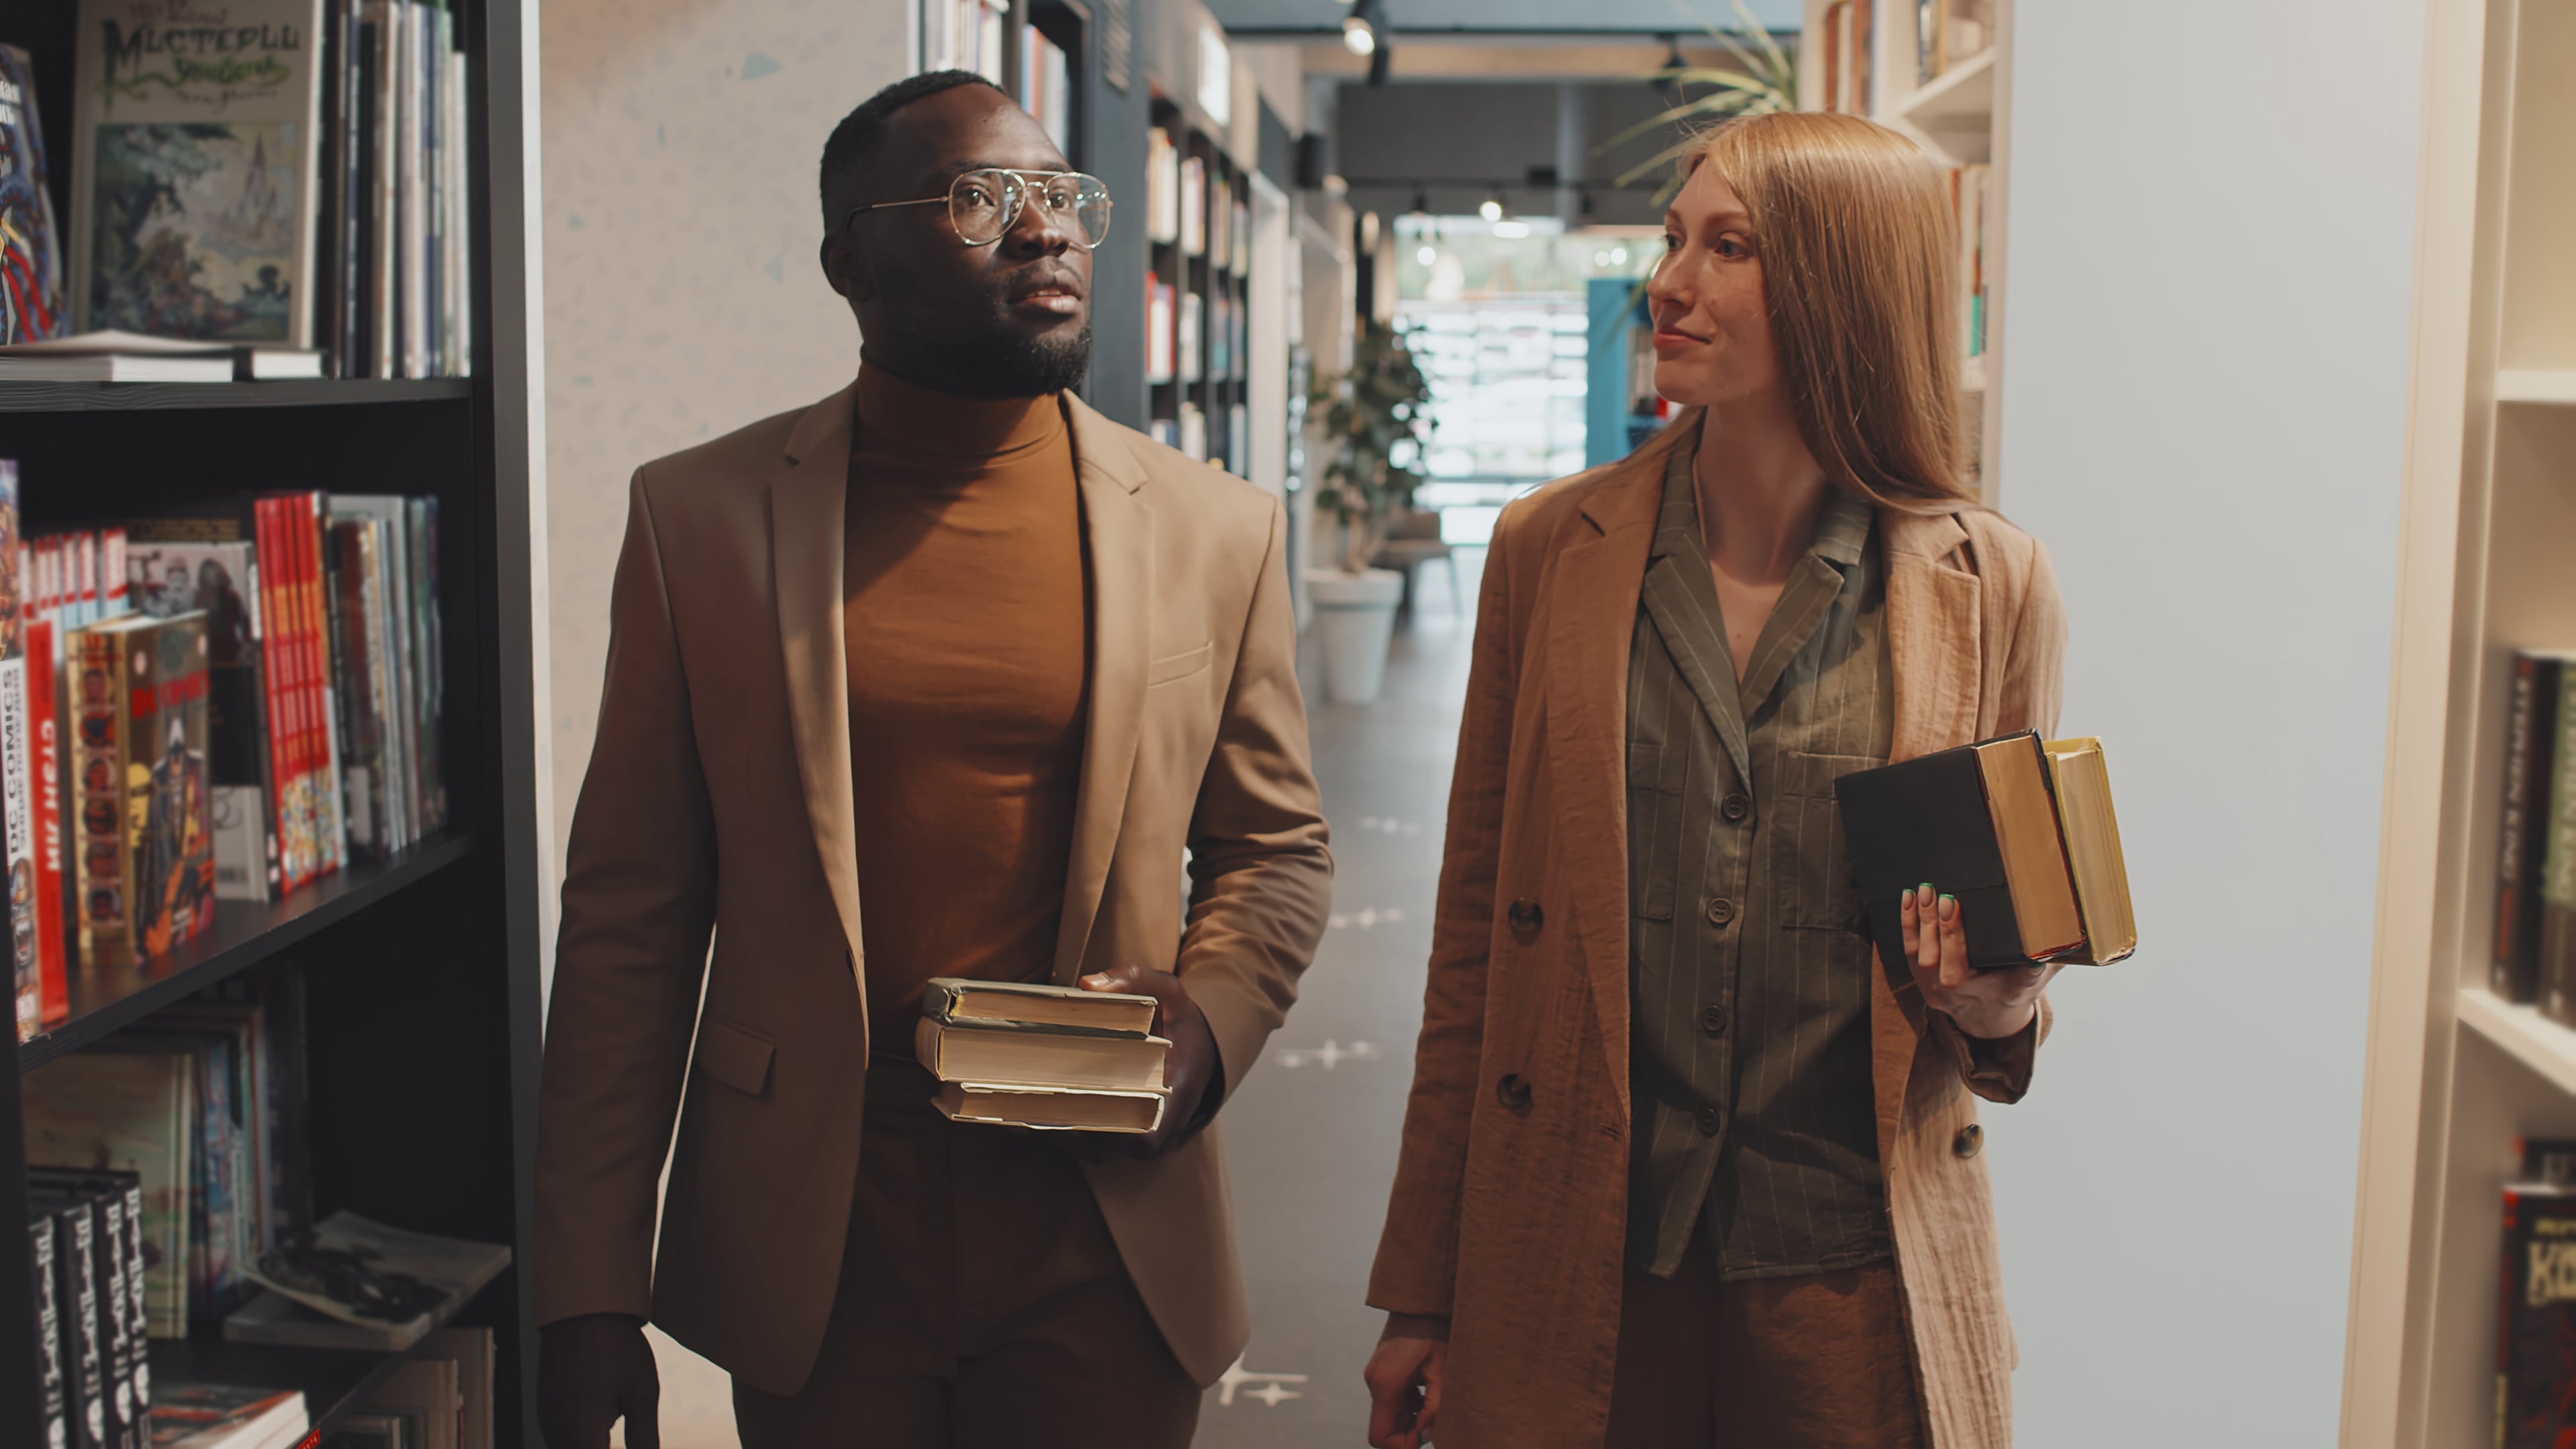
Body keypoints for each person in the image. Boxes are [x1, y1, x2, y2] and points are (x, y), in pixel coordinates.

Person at [532, 70, 1332, 1449]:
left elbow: (1275, 848)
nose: (1045, 232)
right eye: (982, 200)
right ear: (854, 259)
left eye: (1062, 198)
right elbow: (630, 922)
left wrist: (1209, 1025)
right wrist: (588, 1279)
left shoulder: (1216, 530)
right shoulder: (700, 522)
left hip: (1103, 1226)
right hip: (825, 1230)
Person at [1361, 111, 2070, 1449]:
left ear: (1846, 286)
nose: (1670, 284)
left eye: (1728, 247)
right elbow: (1474, 957)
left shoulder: (1992, 584)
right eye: (1675, 239)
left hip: (1855, 1279)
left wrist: (1999, 1009)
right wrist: (1421, 1290)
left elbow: (2012, 954)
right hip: (1581, 1257)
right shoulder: (1545, 552)